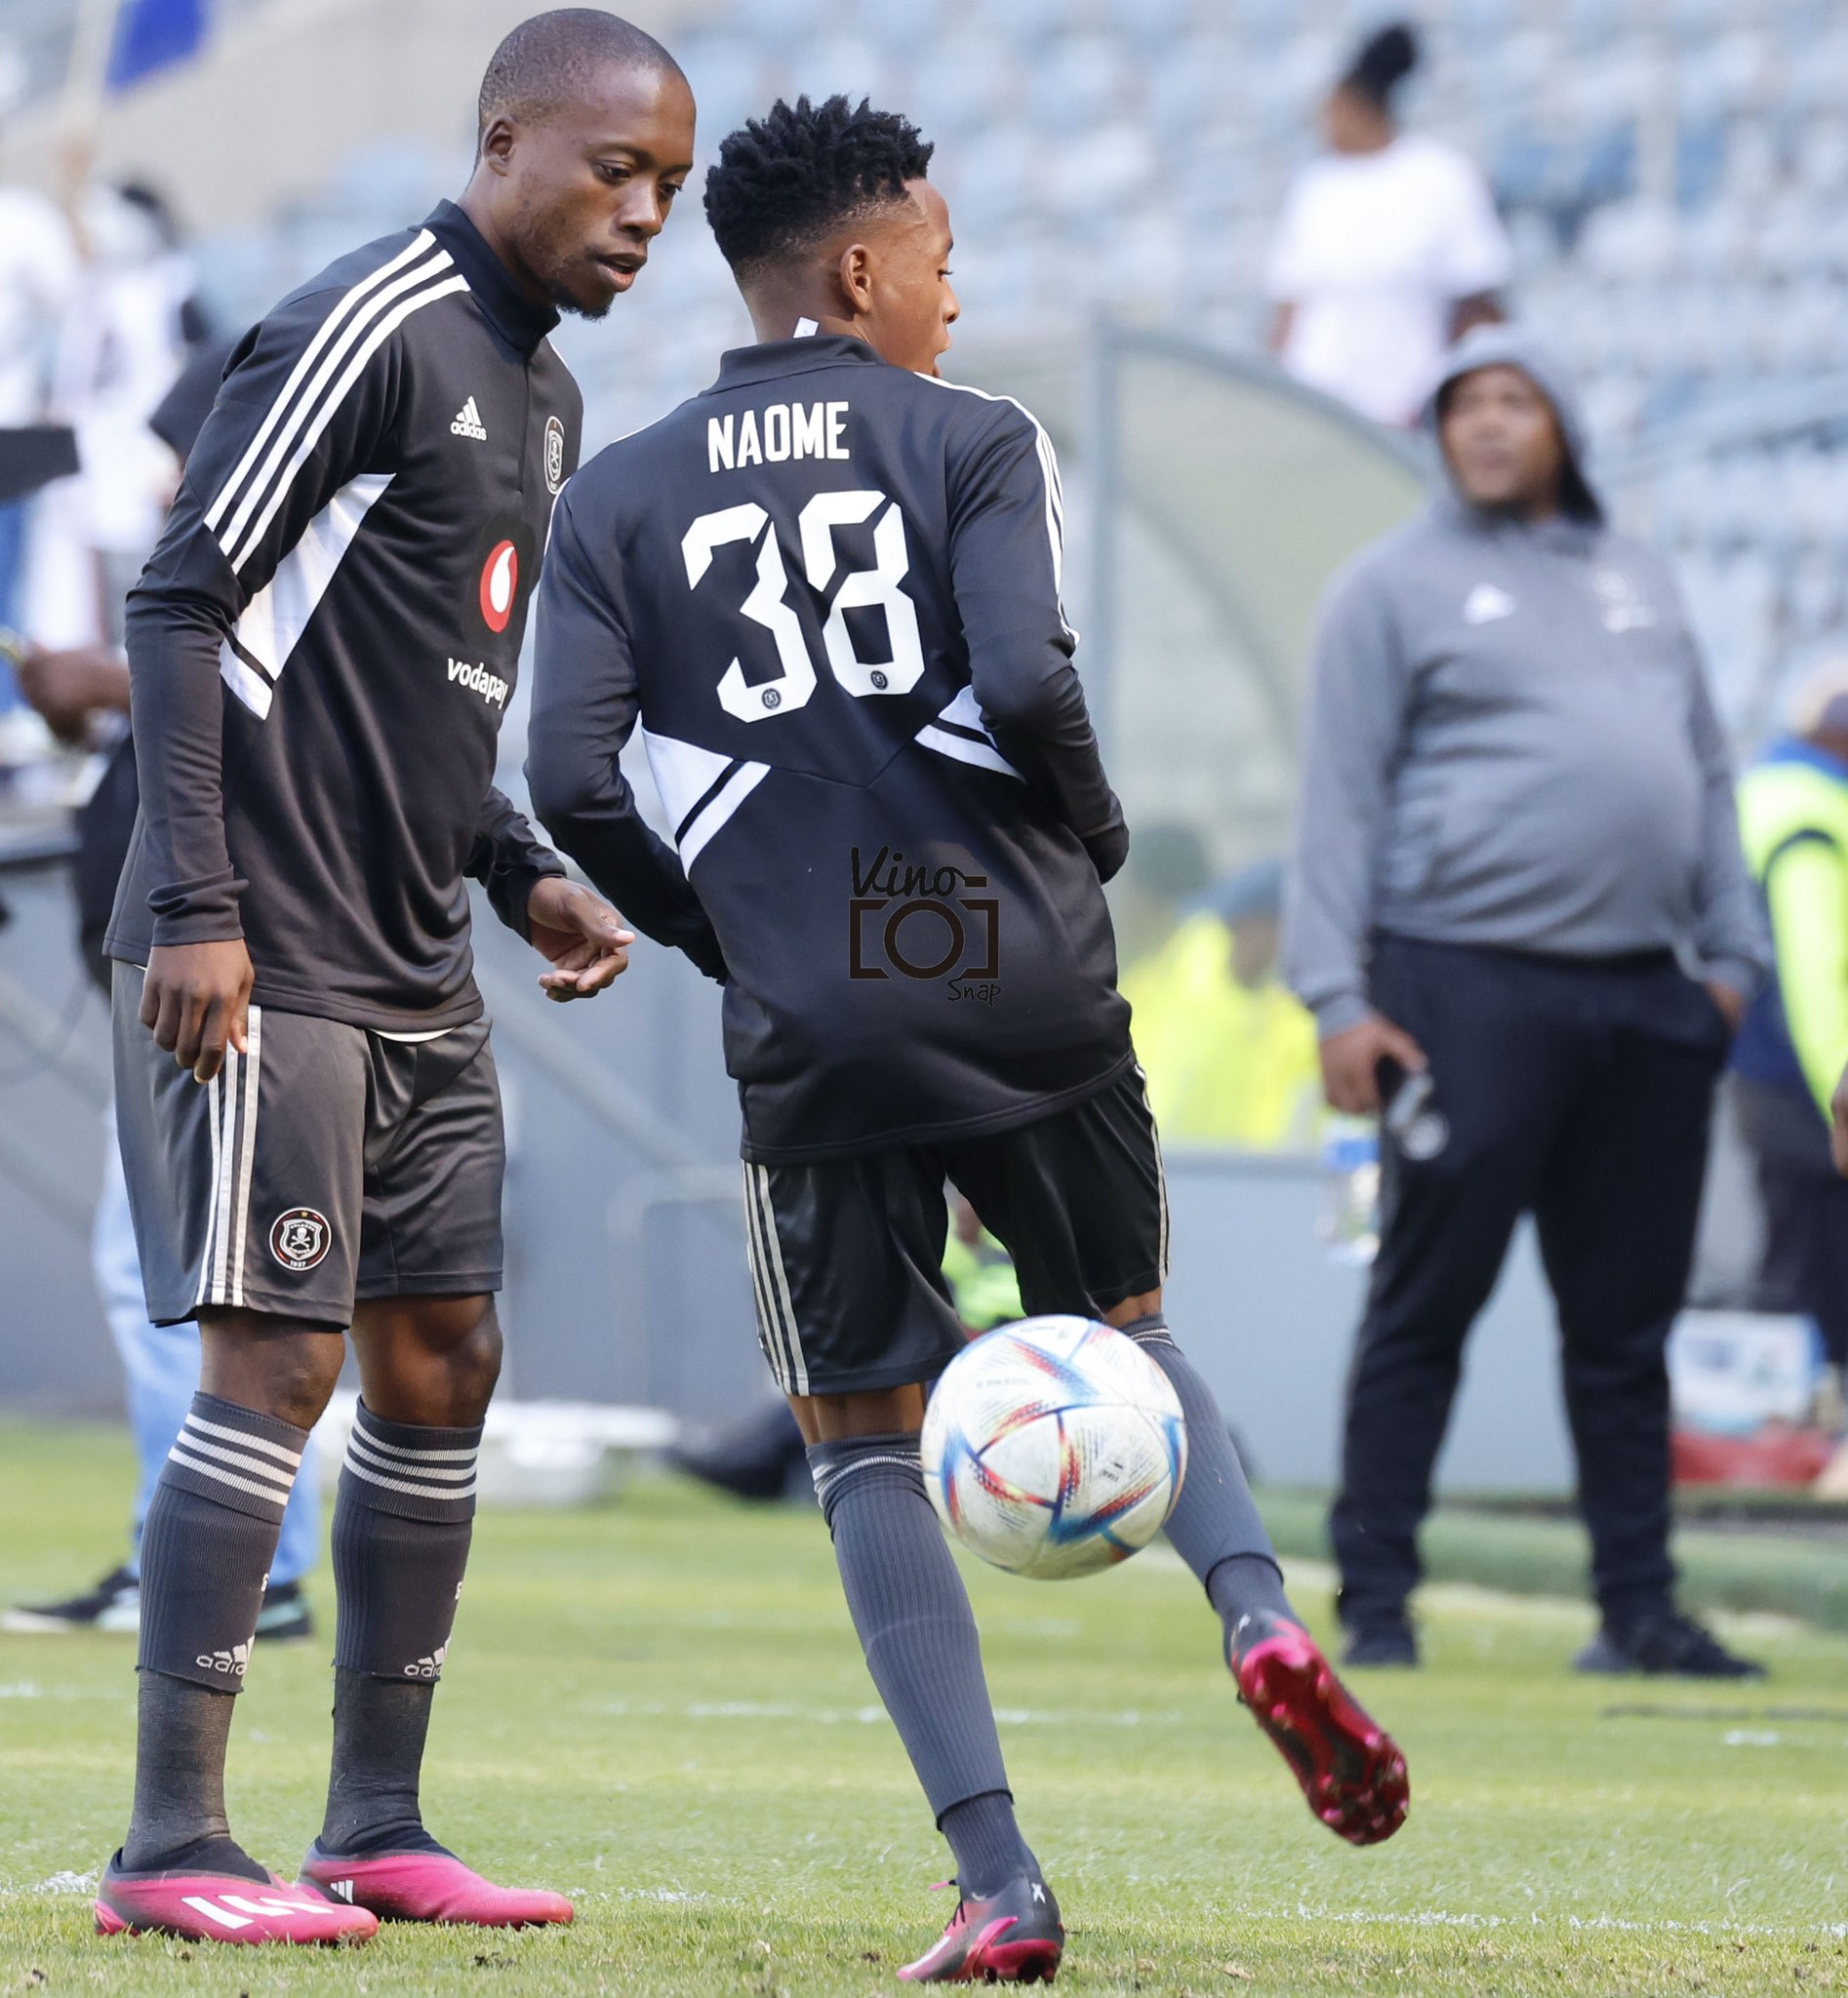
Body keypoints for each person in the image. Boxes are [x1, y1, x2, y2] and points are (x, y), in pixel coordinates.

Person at [527, 93, 1408, 1985]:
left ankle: (996, 1876)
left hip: (814, 1008)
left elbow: (565, 780)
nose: (955, 290)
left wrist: (720, 926)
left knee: (857, 1434)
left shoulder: (616, 491)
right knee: (1132, 1332)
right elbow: (1022, 675)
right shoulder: (976, 437)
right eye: (939, 257)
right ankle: (1253, 1609)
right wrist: (1084, 832)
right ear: (859, 269)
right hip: (1023, 973)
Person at [91, 8, 693, 1946]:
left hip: (417, 952)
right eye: (615, 171)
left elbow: (438, 701)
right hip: (261, 944)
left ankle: (375, 1820)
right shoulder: (367, 325)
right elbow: (184, 590)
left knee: (448, 1361)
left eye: (670, 188)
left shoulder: (543, 400)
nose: (644, 216)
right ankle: (173, 1845)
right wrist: (195, 901)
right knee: (276, 1356)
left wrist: (523, 873)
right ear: (506, 139)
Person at [1285, 324, 1771, 1679]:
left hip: (1646, 999)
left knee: (1624, 1329)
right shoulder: (1388, 588)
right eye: (1463, 405)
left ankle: (1637, 1611)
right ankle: (1374, 1604)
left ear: (1561, 421)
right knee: (1424, 1303)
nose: (1486, 426)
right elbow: (1338, 802)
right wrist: (1335, 997)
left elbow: (1707, 775)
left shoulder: (1639, 577)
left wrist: (1730, 967)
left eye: (1514, 402)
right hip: (1460, 987)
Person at [4, 341, 322, 1647]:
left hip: (222, 998)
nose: (165, 475)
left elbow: (271, 697)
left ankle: (235, 1564)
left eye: (183, 446)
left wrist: (101, 683)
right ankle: (226, 1558)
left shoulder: (271, 561)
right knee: (183, 1284)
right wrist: (91, 714)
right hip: (174, 1001)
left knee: (183, 1287)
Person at [1265, 21, 1509, 429]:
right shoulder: (1316, 188)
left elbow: (1476, 303)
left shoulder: (1440, 176)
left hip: (1409, 412)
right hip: (1323, 416)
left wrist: (1459, 400)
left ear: (1357, 101)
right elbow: (1289, 307)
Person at [1732, 661, 1848, 1383]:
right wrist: (1840, 1085)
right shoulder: (1810, 816)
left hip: (1775, 1085)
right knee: (1820, 1278)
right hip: (1807, 1091)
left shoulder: (1774, 790)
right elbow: (1818, 980)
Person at [1120, 858, 1323, 1151]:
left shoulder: (1297, 1023)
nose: (1227, 940)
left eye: (1239, 926)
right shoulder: (1193, 994)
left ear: (1274, 929)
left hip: (1268, 1180)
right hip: (1192, 1172)